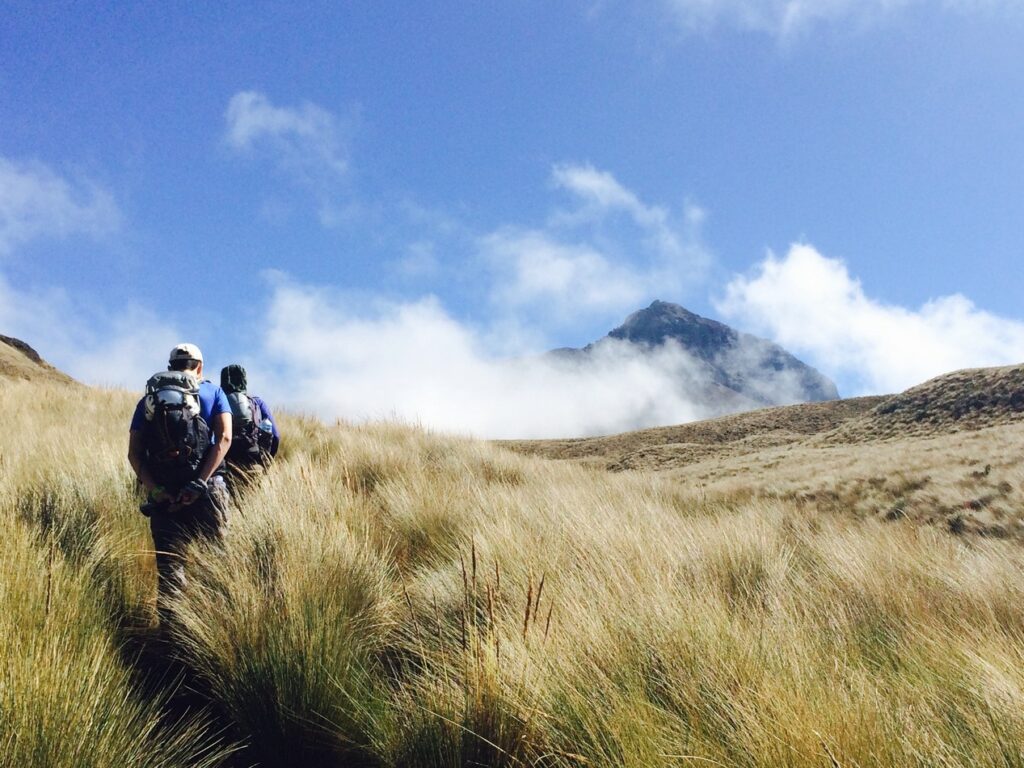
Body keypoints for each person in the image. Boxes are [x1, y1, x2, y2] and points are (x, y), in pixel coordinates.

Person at [127, 343, 232, 627]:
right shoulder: (214, 393)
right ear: (199, 367)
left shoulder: (149, 400)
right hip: (208, 490)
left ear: (170, 367)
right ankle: (217, 631)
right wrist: (199, 482)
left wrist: (156, 490)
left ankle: (171, 637)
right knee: (217, 561)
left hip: (165, 496)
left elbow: (134, 454)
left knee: (171, 569)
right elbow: (224, 438)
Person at [220, 363, 280, 489]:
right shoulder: (257, 402)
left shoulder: (219, 402)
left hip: (225, 464)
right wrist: (266, 460)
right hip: (253, 462)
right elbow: (275, 435)